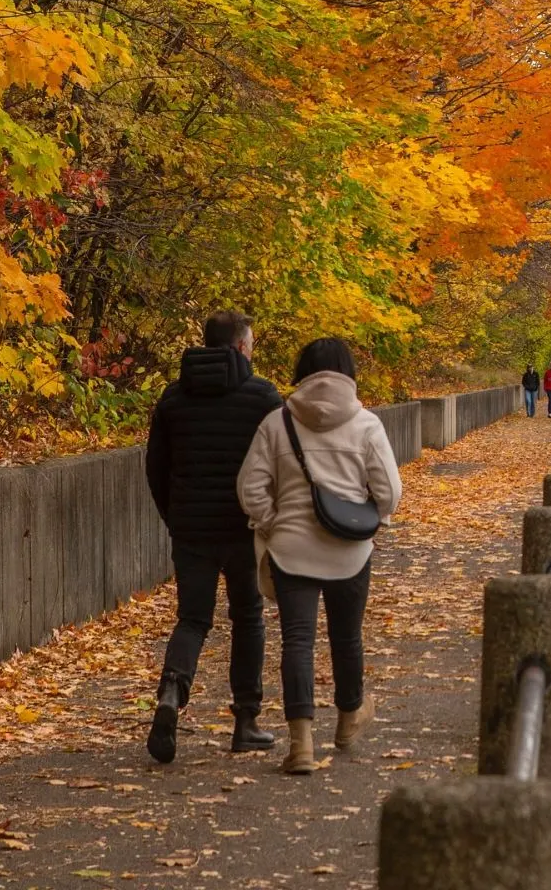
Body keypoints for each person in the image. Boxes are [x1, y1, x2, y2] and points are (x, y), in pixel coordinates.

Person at [237, 337, 402, 775]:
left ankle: (301, 744)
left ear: (302, 371)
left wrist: (272, 522)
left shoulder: (277, 423)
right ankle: (349, 719)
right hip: (350, 550)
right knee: (346, 638)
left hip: (290, 550)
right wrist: (372, 520)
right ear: (349, 373)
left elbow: (249, 487)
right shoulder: (366, 424)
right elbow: (390, 492)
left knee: (298, 641)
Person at [144, 310, 283, 764]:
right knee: (248, 618)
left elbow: (156, 467)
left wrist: (176, 516)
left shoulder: (173, 398)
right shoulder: (263, 397)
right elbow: (280, 463)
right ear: (241, 347)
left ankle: (170, 693)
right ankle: (246, 722)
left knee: (193, 619)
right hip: (244, 527)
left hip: (191, 529)